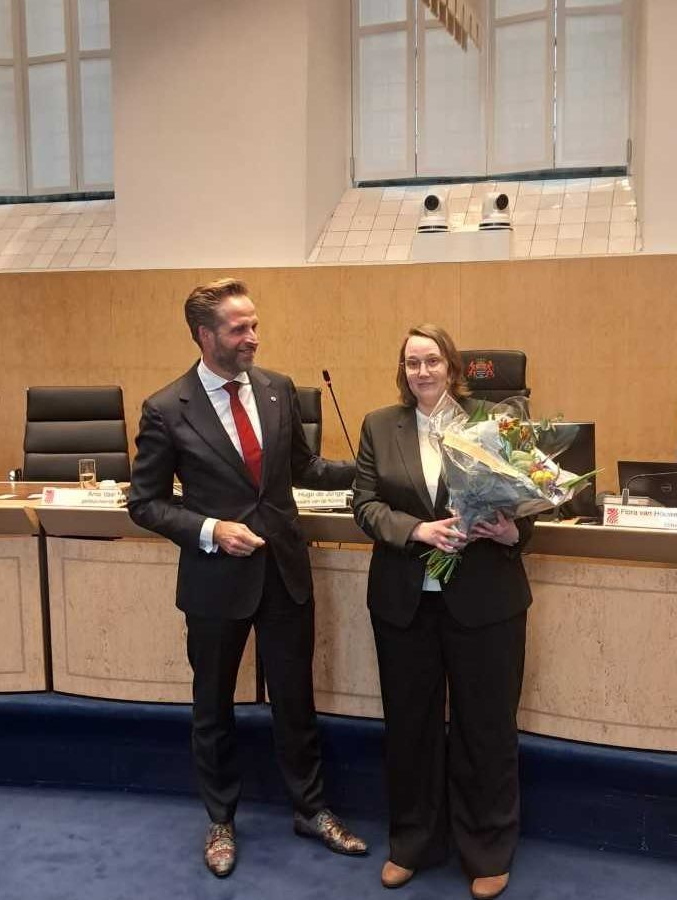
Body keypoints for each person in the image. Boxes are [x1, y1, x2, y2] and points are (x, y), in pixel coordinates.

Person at [128, 278, 366, 877]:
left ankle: (311, 809)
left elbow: (305, 469)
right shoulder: (166, 408)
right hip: (215, 580)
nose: (253, 337)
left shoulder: (278, 389)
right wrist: (211, 529)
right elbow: (145, 504)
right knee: (212, 706)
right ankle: (220, 819)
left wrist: (376, 467)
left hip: (283, 571)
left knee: (296, 700)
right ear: (204, 335)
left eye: (254, 325)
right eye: (239, 329)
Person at [352, 324, 534, 900]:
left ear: (452, 367)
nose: (422, 372)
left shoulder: (494, 422)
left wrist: (511, 532)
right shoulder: (380, 425)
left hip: (486, 602)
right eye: (412, 363)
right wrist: (418, 530)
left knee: (486, 729)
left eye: (432, 361)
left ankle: (488, 849)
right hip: (405, 603)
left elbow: (531, 500)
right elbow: (365, 505)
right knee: (410, 727)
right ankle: (413, 843)